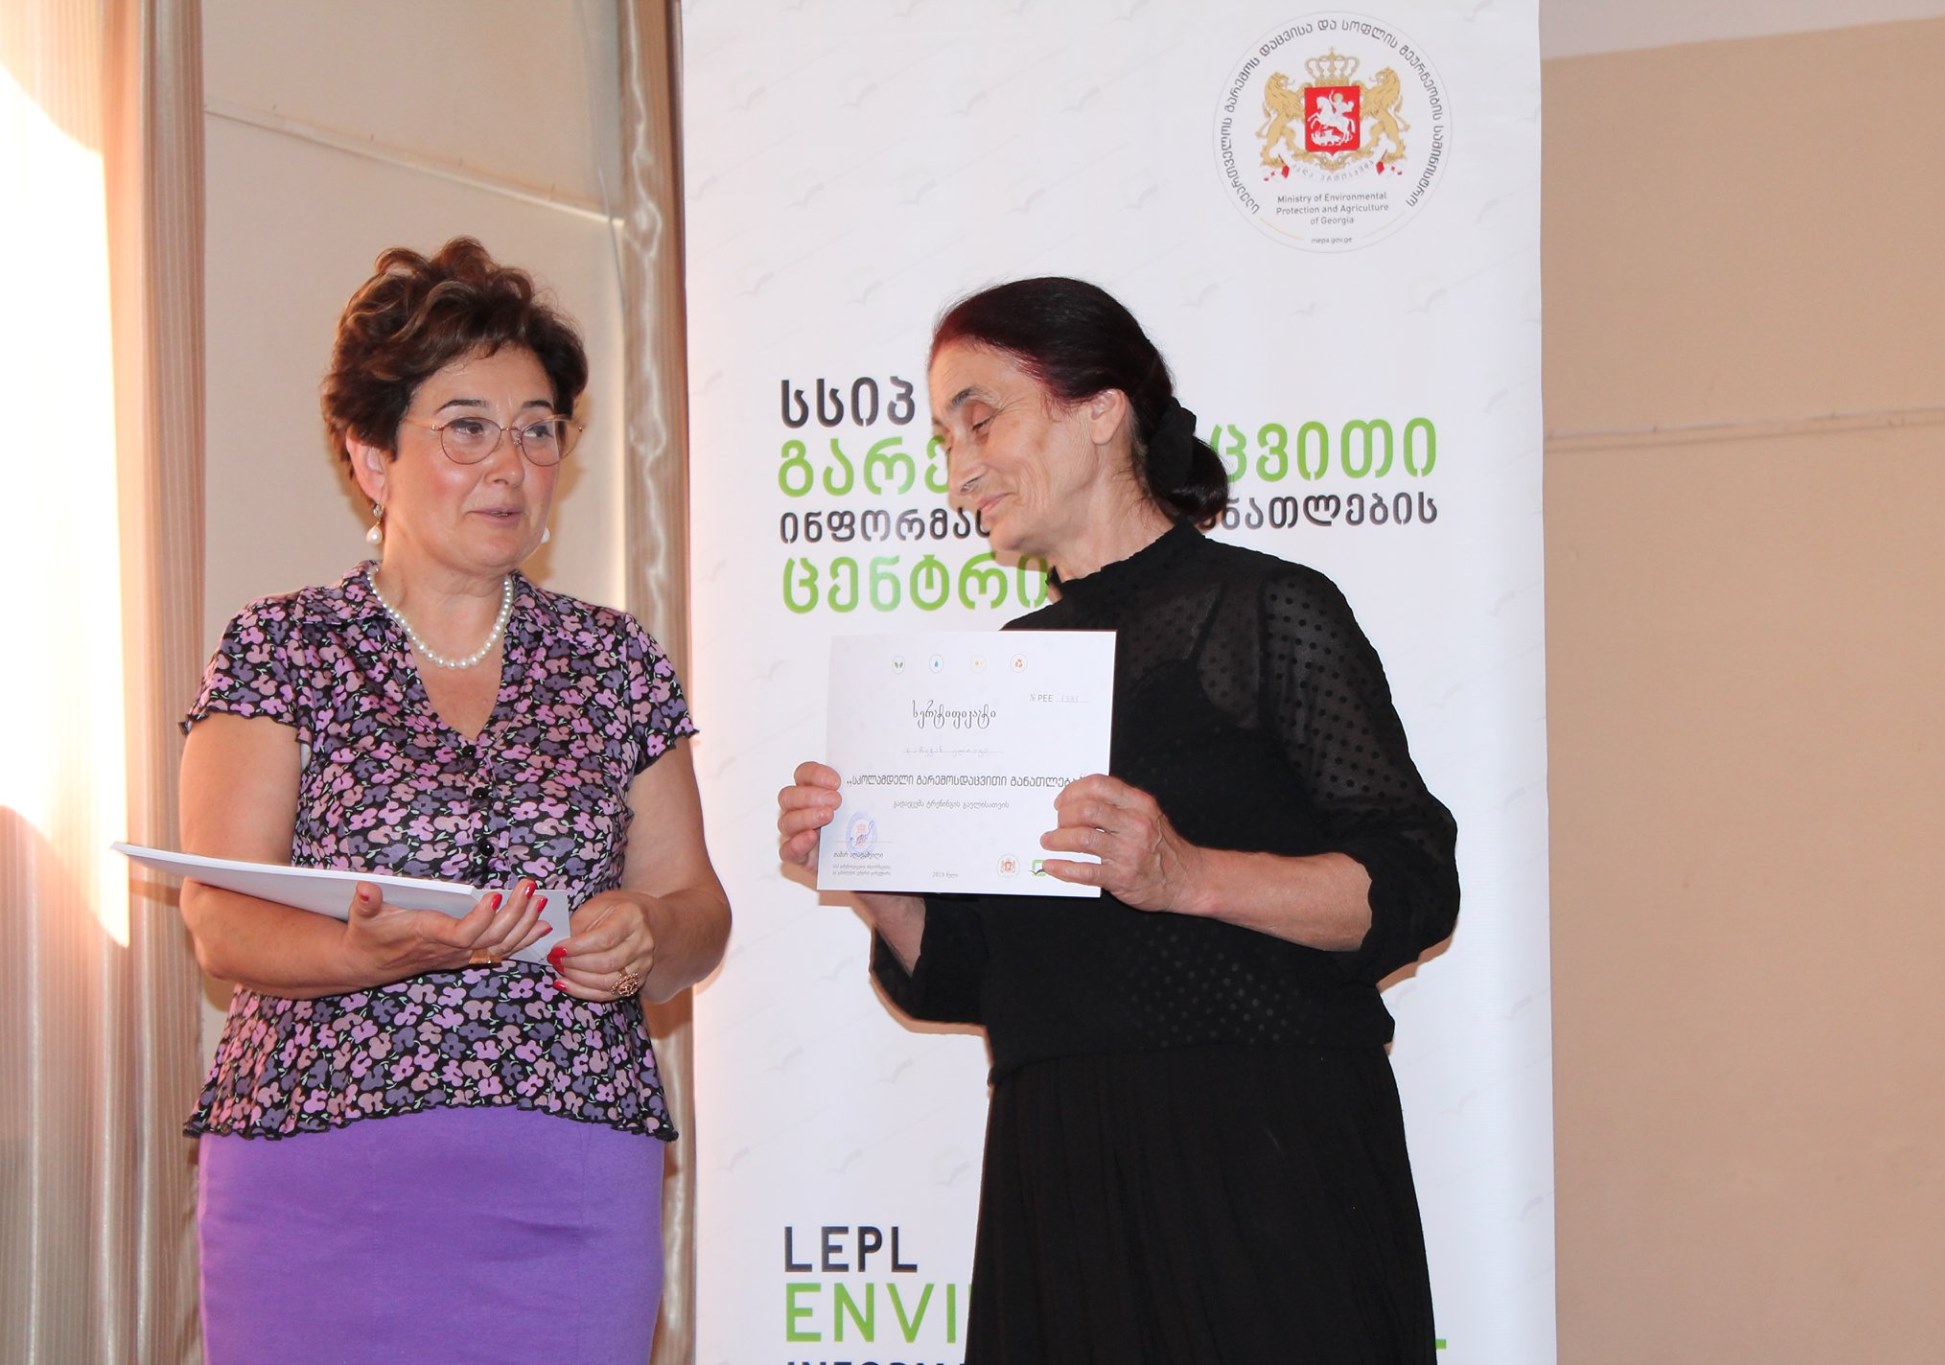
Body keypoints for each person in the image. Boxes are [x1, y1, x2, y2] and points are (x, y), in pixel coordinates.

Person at [778, 277, 1459, 1363]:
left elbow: (1413, 885)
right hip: (1061, 1173)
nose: (957, 471)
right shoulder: (1004, 668)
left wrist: (1189, 876)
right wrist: (867, 873)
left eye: (980, 420)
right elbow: (974, 972)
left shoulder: (1266, 610)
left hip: (1264, 1158)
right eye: (944, 437)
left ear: (1100, 409)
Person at [179, 238, 730, 1362]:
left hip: (569, 1177)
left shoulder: (614, 660)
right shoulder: (284, 646)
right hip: (318, 1168)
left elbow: (698, 914)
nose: (511, 464)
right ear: (371, 457)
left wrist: (646, 932)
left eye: (538, 430)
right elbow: (220, 919)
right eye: (467, 427)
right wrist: (363, 954)